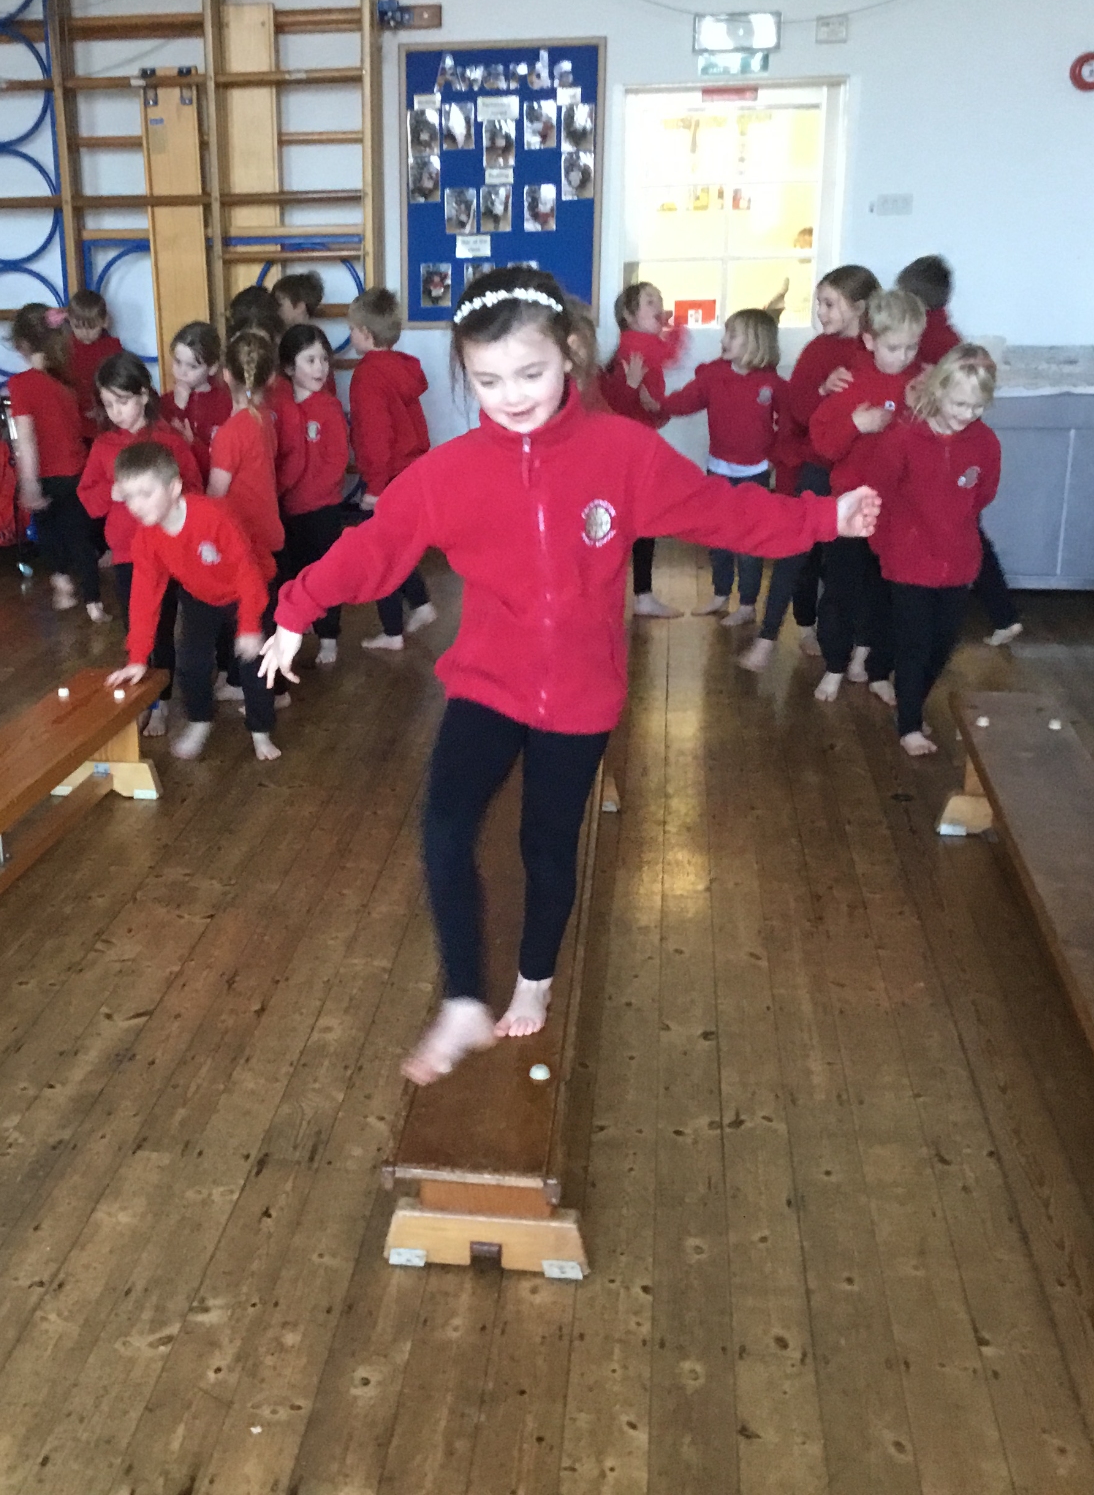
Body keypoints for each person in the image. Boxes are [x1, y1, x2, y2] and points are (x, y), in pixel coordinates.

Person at [257, 267, 879, 1084]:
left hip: (581, 695)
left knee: (545, 843)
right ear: (464, 374)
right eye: (487, 381)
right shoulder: (450, 472)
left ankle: (534, 978)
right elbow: (374, 547)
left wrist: (825, 516)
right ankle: (463, 1000)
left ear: (571, 355)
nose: (510, 397)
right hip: (488, 681)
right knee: (444, 825)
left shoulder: (622, 453)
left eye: (530, 373)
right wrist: (295, 610)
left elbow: (725, 512)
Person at [106, 441, 281, 762]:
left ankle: (260, 731)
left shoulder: (214, 516)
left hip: (249, 590)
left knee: (254, 666)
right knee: (191, 664)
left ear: (174, 488)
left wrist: (249, 626)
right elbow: (144, 599)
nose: (136, 505)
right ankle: (200, 721)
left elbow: (248, 573)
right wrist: (138, 657)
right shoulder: (146, 538)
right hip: (201, 596)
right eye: (128, 496)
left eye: (146, 493)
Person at [867, 344, 1002, 756]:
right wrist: (888, 544)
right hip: (908, 560)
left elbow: (983, 494)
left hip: (958, 562)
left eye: (977, 407)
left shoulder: (985, 443)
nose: (967, 414)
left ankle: (909, 699)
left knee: (943, 642)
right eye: (959, 403)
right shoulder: (904, 438)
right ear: (939, 390)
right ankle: (909, 724)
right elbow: (881, 491)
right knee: (914, 643)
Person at [898, 253, 1024, 647]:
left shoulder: (930, 340)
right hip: (949, 454)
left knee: (966, 535)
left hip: (946, 454)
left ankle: (1002, 613)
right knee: (969, 532)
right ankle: (1003, 614)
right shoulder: (948, 335)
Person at [808, 288, 926, 701]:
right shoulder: (850, 382)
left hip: (898, 511)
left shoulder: (922, 384)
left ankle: (871, 663)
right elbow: (823, 444)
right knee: (841, 590)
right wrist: (856, 424)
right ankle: (834, 665)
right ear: (871, 340)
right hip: (852, 507)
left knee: (886, 591)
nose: (904, 356)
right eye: (894, 347)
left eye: (912, 347)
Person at [79, 352, 204, 736]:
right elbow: (88, 499)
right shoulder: (104, 445)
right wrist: (112, 493)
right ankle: (146, 700)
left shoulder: (168, 440)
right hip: (127, 554)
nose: (116, 411)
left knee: (164, 629)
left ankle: (162, 703)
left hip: (168, 551)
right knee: (137, 628)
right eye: (108, 404)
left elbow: (194, 491)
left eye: (123, 401)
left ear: (144, 396)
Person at [772, 264, 880, 658]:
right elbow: (798, 409)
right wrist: (822, 389)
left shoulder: (874, 348)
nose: (821, 312)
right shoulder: (817, 350)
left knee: (851, 559)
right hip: (816, 464)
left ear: (860, 307)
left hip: (858, 470)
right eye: (820, 303)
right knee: (807, 550)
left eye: (830, 304)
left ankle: (853, 638)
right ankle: (805, 624)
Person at [675, 308, 785, 647]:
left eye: (732, 335)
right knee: (718, 537)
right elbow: (685, 401)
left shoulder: (771, 383)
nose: (723, 340)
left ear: (754, 343)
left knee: (749, 544)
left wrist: (776, 457)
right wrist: (656, 404)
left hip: (755, 474)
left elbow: (791, 422)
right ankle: (721, 593)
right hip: (718, 469)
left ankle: (747, 604)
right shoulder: (713, 375)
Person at [345, 286, 439, 649]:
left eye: (352, 329)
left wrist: (374, 487)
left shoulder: (368, 376)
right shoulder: (403, 367)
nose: (350, 335)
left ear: (366, 334)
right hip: (412, 473)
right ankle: (421, 605)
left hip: (387, 480)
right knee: (396, 549)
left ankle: (392, 631)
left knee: (381, 555)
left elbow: (375, 436)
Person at [207, 329, 288, 709]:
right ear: (271, 377)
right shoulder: (265, 419)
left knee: (250, 619)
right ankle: (265, 686)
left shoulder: (230, 433)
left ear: (225, 375)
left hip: (244, 536)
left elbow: (215, 494)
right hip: (267, 528)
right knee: (264, 615)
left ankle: (265, 691)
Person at [7, 303, 103, 621]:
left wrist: (29, 482)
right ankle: (93, 602)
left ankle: (62, 585)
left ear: (22, 344)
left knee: (49, 534)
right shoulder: (68, 381)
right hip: (77, 471)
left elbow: (26, 440)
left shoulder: (21, 384)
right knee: (80, 538)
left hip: (47, 475)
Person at [600, 280, 690, 618]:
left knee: (633, 523)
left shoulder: (635, 346)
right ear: (629, 315)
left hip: (634, 448)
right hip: (629, 452)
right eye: (651, 301)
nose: (659, 306)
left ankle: (637, 595)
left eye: (660, 300)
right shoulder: (637, 347)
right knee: (636, 523)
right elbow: (617, 407)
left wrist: (656, 407)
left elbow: (644, 407)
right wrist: (678, 325)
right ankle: (639, 595)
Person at [271, 322, 351, 667]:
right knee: (292, 573)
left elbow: (337, 460)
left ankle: (329, 635)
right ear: (290, 368)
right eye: (310, 360)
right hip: (288, 509)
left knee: (325, 574)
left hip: (322, 509)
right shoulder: (280, 406)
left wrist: (315, 493)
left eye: (324, 359)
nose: (320, 368)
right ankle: (296, 624)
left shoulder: (329, 407)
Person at [163, 321, 233, 476]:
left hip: (213, 481)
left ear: (212, 368)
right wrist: (178, 408)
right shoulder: (165, 402)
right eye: (178, 362)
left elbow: (224, 458)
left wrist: (193, 443)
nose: (182, 372)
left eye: (192, 366)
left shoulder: (225, 402)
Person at [66, 289, 122, 438]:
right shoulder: (65, 348)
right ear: (69, 321)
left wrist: (103, 407)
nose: (85, 333)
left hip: (107, 415)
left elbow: (119, 382)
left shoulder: (112, 347)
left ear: (104, 322)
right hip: (74, 417)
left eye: (91, 327)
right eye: (78, 327)